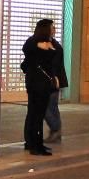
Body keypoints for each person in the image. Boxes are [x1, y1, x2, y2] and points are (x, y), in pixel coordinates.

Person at [22, 19, 60, 156]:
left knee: (34, 114)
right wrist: (42, 46)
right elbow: (28, 52)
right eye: (51, 27)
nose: (53, 29)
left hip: (38, 84)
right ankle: (36, 146)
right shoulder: (35, 43)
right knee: (36, 115)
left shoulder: (43, 42)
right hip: (39, 85)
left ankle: (33, 143)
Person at [44, 35, 68, 143]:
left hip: (51, 82)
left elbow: (53, 66)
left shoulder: (54, 47)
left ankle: (56, 129)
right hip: (50, 82)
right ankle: (56, 133)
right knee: (52, 108)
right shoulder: (51, 45)